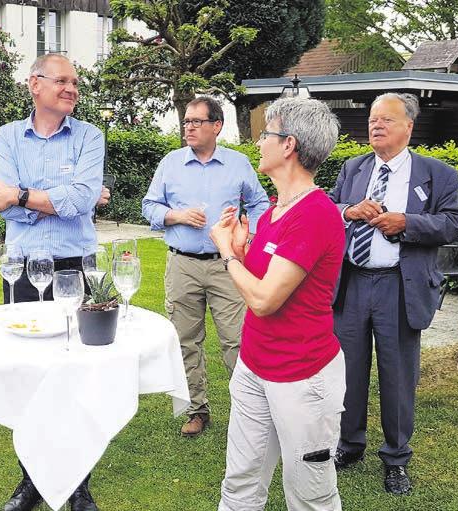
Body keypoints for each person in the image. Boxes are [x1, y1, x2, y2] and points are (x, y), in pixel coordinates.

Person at [210, 97, 346, 510]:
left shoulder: (316, 215)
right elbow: (262, 281)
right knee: (240, 482)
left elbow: (265, 300)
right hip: (255, 366)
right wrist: (243, 246)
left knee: (310, 496)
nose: (259, 141)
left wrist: (226, 254)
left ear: (288, 145)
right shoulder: (273, 211)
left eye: (266, 133)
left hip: (302, 378)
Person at [328, 92, 458, 495]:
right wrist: (348, 212)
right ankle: (349, 445)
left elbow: (454, 222)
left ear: (409, 125)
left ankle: (395, 458)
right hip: (352, 284)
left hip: (398, 287)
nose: (376, 125)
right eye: (373, 119)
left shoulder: (437, 173)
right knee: (348, 373)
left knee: (397, 376)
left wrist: (408, 222)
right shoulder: (353, 168)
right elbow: (331, 208)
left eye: (386, 119)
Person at [0, 54, 102, 511]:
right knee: (29, 375)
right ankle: (31, 480)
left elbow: (81, 199)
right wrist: (28, 199)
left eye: (76, 81)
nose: (72, 88)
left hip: (78, 266)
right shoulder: (8, 136)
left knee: (77, 373)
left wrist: (20, 194)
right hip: (24, 267)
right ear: (35, 84)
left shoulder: (90, 136)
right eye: (63, 80)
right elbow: (1, 203)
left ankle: (78, 483)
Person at [142, 97, 269, 437]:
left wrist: (251, 237)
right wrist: (176, 215)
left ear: (217, 126)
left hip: (226, 266)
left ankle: (250, 411)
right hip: (182, 264)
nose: (190, 127)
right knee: (185, 341)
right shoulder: (170, 163)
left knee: (237, 341)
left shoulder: (238, 163)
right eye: (186, 121)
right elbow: (149, 206)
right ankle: (197, 411)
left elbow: (259, 203)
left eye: (197, 121)